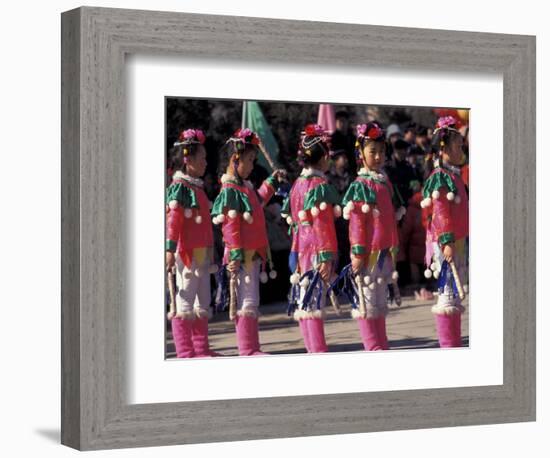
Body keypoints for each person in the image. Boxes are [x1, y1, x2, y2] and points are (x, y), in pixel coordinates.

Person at [211, 128, 286, 356]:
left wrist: (272, 182)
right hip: (241, 255)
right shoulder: (231, 190)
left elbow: (259, 200)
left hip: (251, 253)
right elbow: (231, 226)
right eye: (250, 160)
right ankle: (247, 349)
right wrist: (234, 255)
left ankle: (251, 347)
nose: (253, 166)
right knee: (247, 300)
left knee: (251, 299)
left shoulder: (244, 187)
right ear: (236, 160)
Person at [341, 122, 406, 351]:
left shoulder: (384, 181)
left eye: (381, 151)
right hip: (367, 255)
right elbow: (357, 224)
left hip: (384, 251)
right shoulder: (361, 185)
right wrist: (358, 252)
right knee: (367, 303)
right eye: (372, 152)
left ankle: (381, 345)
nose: (378, 156)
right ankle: (372, 346)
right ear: (361, 154)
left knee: (379, 301)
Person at [282, 124, 341, 353]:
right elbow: (323, 225)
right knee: (314, 301)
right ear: (323, 158)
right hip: (316, 251)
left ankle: (311, 349)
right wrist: (327, 256)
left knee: (305, 301)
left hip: (300, 251)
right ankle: (318, 350)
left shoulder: (297, 184)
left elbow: (294, 221)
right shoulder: (319, 186)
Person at [165, 128, 220, 358]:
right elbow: (174, 220)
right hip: (186, 252)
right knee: (185, 298)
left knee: (202, 299)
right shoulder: (180, 188)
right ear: (188, 160)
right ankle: (185, 351)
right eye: (202, 158)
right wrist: (169, 249)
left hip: (201, 253)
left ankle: (201, 348)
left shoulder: (196, 187)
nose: (206, 162)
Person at [421, 116, 469, 348]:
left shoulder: (453, 175)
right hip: (445, 243)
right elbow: (440, 213)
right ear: (444, 148)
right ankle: (449, 345)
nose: (462, 149)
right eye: (458, 145)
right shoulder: (440, 177)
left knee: (454, 297)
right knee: (447, 295)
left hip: (456, 241)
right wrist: (447, 241)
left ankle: (454, 344)